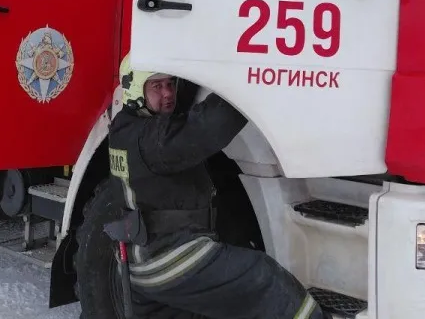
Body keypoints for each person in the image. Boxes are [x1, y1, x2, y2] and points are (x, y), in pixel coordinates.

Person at [103, 55, 327, 319]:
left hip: (137, 265)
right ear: (134, 89)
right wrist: (248, 82)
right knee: (265, 281)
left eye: (171, 84)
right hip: (169, 258)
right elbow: (205, 129)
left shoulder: (123, 129)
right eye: (157, 86)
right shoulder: (153, 140)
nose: (167, 94)